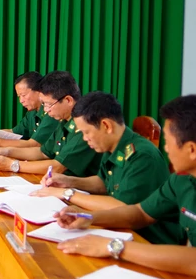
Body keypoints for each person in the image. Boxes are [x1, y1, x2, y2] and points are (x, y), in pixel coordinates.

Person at [55, 95, 196, 276]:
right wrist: (89, 217)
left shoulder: (145, 155)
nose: (166, 149)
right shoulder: (181, 180)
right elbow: (140, 212)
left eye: (168, 142)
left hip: (162, 258)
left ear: (191, 149)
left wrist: (114, 246)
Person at [31, 91, 183, 245]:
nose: (84, 138)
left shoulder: (142, 156)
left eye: (86, 132)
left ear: (106, 126)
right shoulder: (113, 145)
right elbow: (103, 182)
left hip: (147, 239)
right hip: (118, 228)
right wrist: (68, 181)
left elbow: (124, 207)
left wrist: (68, 194)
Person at [0, 71, 101, 176]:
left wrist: (12, 165)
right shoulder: (63, 121)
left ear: (68, 100)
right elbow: (42, 152)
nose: (46, 110)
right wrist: (7, 151)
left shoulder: (85, 126)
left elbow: (58, 167)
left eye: (49, 104)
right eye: (44, 105)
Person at [0, 71, 60, 148]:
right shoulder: (32, 112)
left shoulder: (51, 112)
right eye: (19, 96)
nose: (21, 100)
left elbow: (34, 144)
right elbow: (12, 133)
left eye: (23, 95)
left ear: (39, 91)